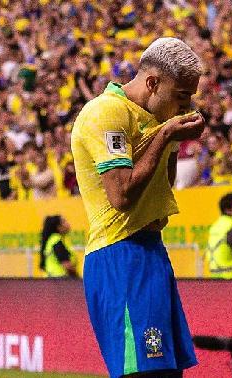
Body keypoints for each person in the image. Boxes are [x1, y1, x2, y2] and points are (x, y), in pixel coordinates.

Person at [72, 37, 203, 378]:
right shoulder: (107, 112)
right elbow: (121, 195)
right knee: (143, 373)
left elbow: (163, 186)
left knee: (167, 371)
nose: (185, 106)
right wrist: (163, 137)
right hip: (119, 256)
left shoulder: (153, 119)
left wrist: (173, 141)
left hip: (151, 253)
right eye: (181, 97)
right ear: (152, 83)